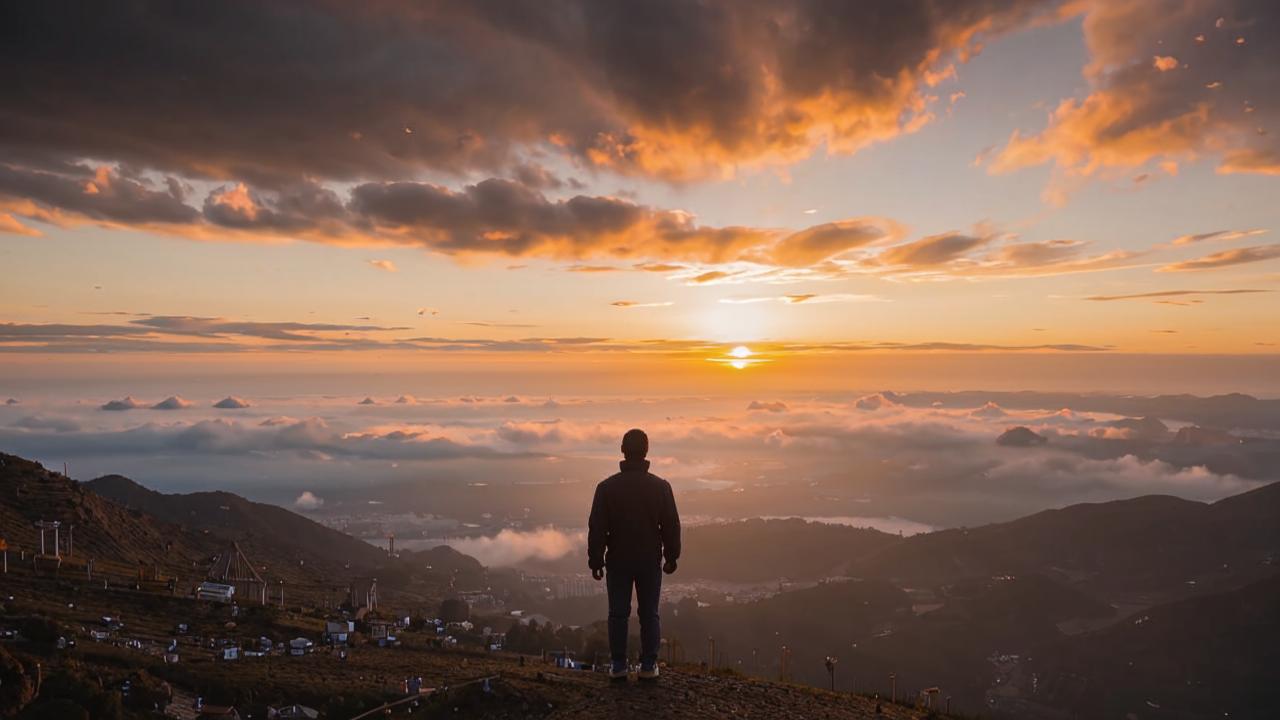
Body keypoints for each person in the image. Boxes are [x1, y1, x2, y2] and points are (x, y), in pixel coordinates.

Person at [588, 428, 681, 682]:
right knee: (649, 613)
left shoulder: (606, 488)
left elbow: (597, 528)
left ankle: (618, 665)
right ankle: (648, 665)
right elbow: (671, 525)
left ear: (622, 451)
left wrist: (595, 560)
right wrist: (672, 556)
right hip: (649, 560)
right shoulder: (660, 487)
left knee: (618, 613)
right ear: (646, 451)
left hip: (617, 560)